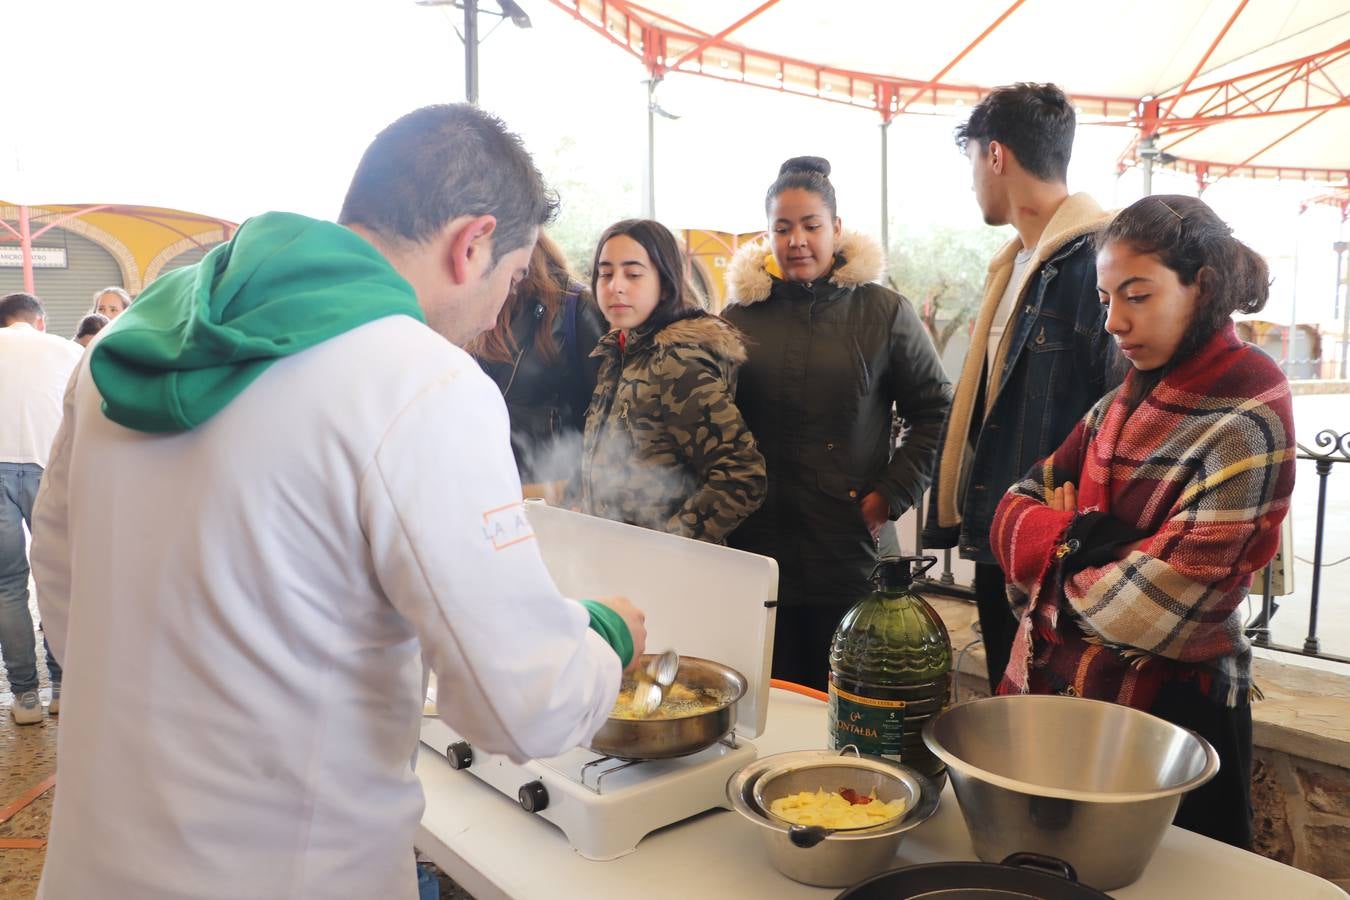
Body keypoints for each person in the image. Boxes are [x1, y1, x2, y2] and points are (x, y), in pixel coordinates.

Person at [30, 103, 647, 900]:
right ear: (473, 244)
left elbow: (63, 589)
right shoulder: (419, 381)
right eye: (515, 277)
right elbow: (523, 705)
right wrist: (603, 633)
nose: (504, 313)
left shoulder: (121, 350)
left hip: (97, 865)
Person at [990, 195, 1294, 849]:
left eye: (1137, 295)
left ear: (1201, 288)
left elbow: (1166, 604)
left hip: (1179, 720)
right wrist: (1094, 543)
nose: (1114, 323)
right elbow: (1008, 517)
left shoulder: (1250, 411)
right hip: (1075, 704)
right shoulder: (1121, 400)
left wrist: (1057, 550)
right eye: (1105, 300)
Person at [723, 157, 951, 690]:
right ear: (767, 235)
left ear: (837, 229)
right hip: (759, 548)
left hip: (851, 545)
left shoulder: (882, 311)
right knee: (770, 694)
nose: (797, 240)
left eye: (810, 225)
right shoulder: (738, 319)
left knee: (856, 690)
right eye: (783, 228)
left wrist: (892, 494)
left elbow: (934, 408)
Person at [922, 83, 1119, 693]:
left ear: (996, 156)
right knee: (1015, 713)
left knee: (1049, 722)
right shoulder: (1012, 266)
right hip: (1001, 533)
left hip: (1058, 547)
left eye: (972, 162)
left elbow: (1122, 409)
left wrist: (1080, 524)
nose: (973, 180)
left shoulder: (1096, 262)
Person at [581, 218, 765, 543]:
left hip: (664, 569)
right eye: (605, 273)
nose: (615, 286)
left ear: (665, 284)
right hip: (616, 554)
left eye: (633, 274)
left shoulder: (677, 361)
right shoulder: (619, 352)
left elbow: (741, 476)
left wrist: (672, 544)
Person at [469, 231, 607, 501]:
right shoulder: (479, 305)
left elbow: (603, 413)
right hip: (495, 479)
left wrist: (580, 489)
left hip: (555, 484)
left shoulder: (575, 306)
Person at [0, 292, 82, 725]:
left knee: (7, 586)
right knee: (57, 576)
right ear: (40, 321)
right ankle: (64, 687)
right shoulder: (68, 350)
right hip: (46, 466)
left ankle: (25, 698)